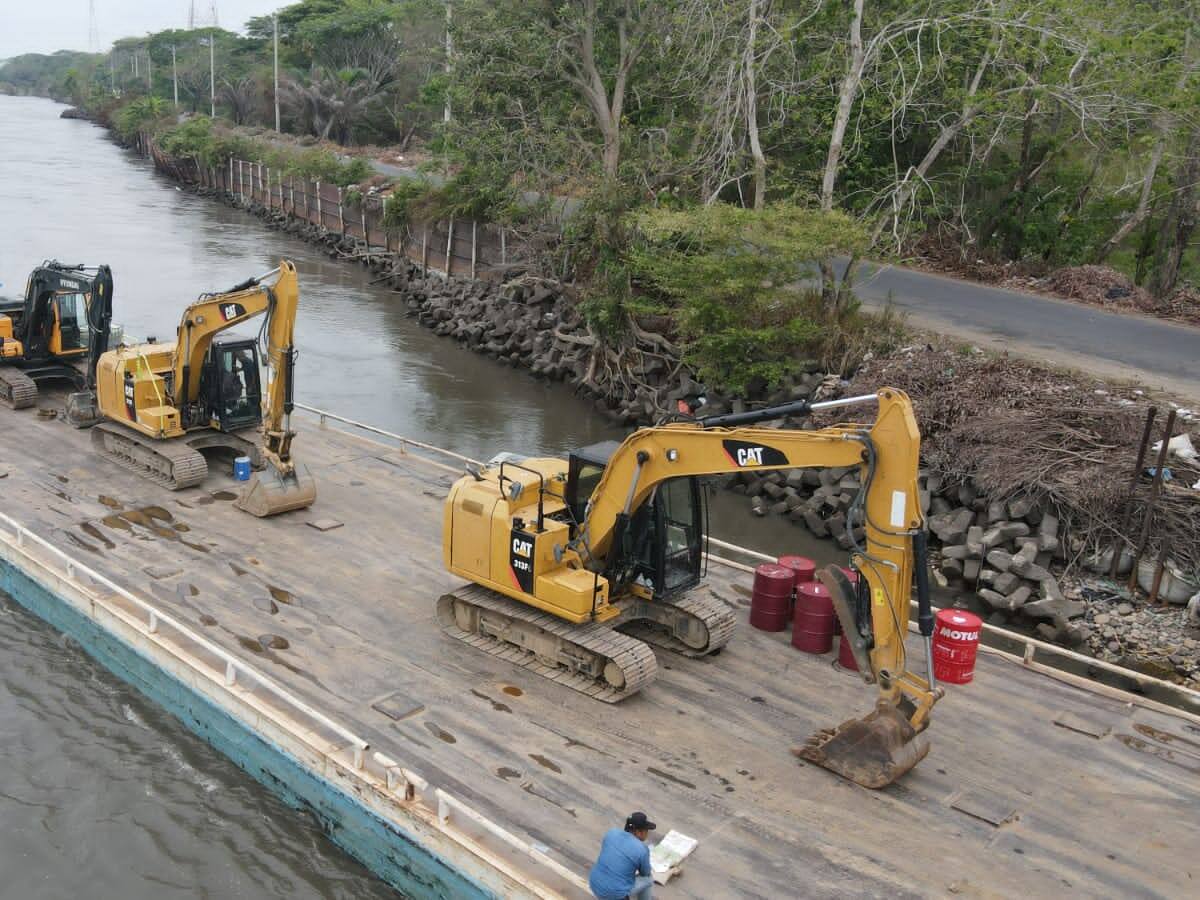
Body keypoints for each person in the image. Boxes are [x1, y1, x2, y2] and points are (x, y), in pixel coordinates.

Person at [588, 811, 656, 900]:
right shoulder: (642, 849)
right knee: (649, 879)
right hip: (614, 895)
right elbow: (645, 873)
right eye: (646, 830)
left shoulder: (612, 833)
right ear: (638, 832)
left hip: (594, 884)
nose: (647, 833)